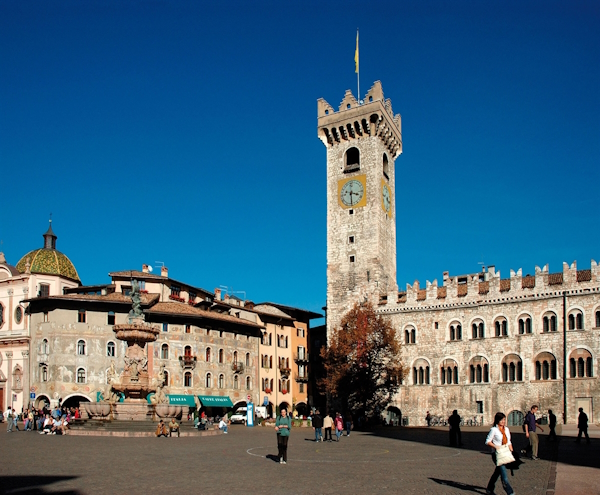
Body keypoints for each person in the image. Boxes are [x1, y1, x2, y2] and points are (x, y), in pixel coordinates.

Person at [485, 412, 515, 495]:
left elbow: (509, 441)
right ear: (497, 420)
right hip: (497, 454)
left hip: (505, 453)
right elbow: (487, 441)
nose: (503, 421)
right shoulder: (494, 430)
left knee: (497, 472)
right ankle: (510, 492)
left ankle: (489, 489)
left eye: (504, 419)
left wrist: (512, 452)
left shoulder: (506, 429)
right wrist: (496, 447)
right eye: (501, 420)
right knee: (504, 475)